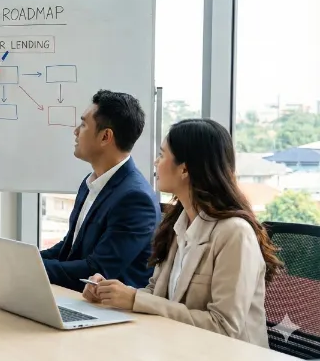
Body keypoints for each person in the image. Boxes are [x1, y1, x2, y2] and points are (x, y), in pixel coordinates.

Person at [83, 118, 282, 348]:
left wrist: (135, 300)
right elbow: (157, 294)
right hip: (178, 347)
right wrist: (113, 293)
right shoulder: (178, 223)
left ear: (184, 169)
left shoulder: (235, 233)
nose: (156, 162)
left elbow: (224, 327)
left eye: (162, 155)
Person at [40, 90, 161, 291]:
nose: (76, 131)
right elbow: (69, 248)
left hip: (108, 306)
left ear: (105, 136)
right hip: (77, 298)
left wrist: (32, 268)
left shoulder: (135, 199)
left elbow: (97, 270)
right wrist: (25, 259)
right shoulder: (91, 182)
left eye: (83, 125)